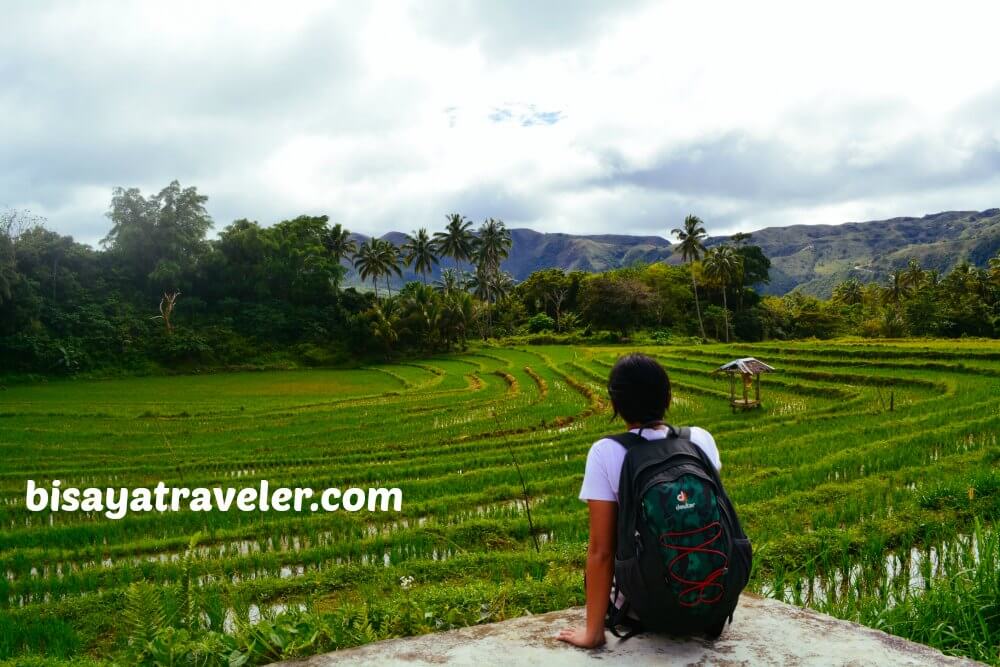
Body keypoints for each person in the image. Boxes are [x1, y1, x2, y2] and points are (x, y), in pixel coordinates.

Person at [557, 352, 721, 648]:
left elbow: (601, 552)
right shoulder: (700, 439)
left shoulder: (606, 451)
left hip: (647, 609)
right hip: (713, 598)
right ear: (667, 396)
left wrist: (592, 633)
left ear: (615, 403)